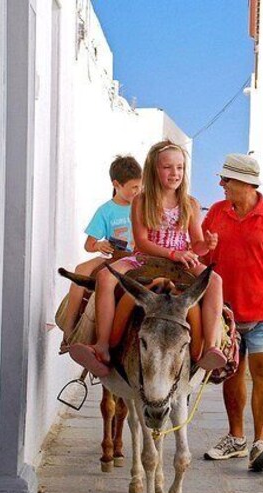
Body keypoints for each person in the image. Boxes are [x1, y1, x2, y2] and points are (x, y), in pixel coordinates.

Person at [69, 140, 226, 376]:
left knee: (215, 281)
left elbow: (197, 244)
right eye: (168, 167)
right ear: (154, 170)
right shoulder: (141, 201)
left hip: (179, 262)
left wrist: (206, 245)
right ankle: (102, 345)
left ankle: (210, 347)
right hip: (145, 259)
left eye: (180, 168)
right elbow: (142, 242)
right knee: (104, 276)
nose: (175, 173)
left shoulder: (191, 204)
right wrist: (173, 253)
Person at [202, 154, 263, 472]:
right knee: (232, 373)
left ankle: (260, 443)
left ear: (244, 183)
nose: (221, 185)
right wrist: (206, 245)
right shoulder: (216, 213)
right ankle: (236, 438)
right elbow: (202, 258)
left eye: (226, 180)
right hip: (226, 314)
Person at [59, 155, 142, 351]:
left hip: (137, 258)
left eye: (140, 187)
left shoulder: (142, 207)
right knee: (80, 270)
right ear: (117, 184)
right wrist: (100, 245)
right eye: (133, 188)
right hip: (113, 257)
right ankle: (69, 329)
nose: (138, 191)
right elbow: (89, 244)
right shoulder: (106, 211)